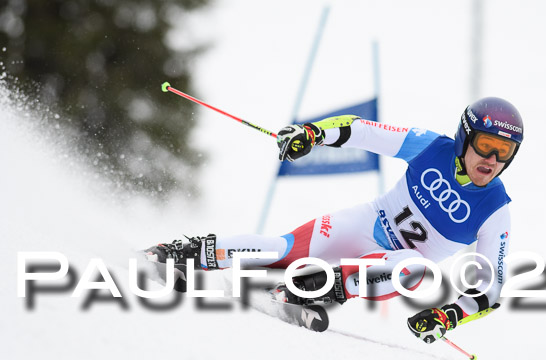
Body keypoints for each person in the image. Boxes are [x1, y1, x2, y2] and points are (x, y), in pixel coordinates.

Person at [145, 97, 524, 344]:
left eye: (504, 152)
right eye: (485, 145)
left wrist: (448, 315)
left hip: (393, 266)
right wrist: (312, 134)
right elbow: (361, 130)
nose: (491, 159)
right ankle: (184, 253)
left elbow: (491, 290)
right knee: (282, 251)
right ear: (464, 137)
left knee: (417, 269)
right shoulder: (432, 146)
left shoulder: (496, 208)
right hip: (363, 225)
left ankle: (305, 291)